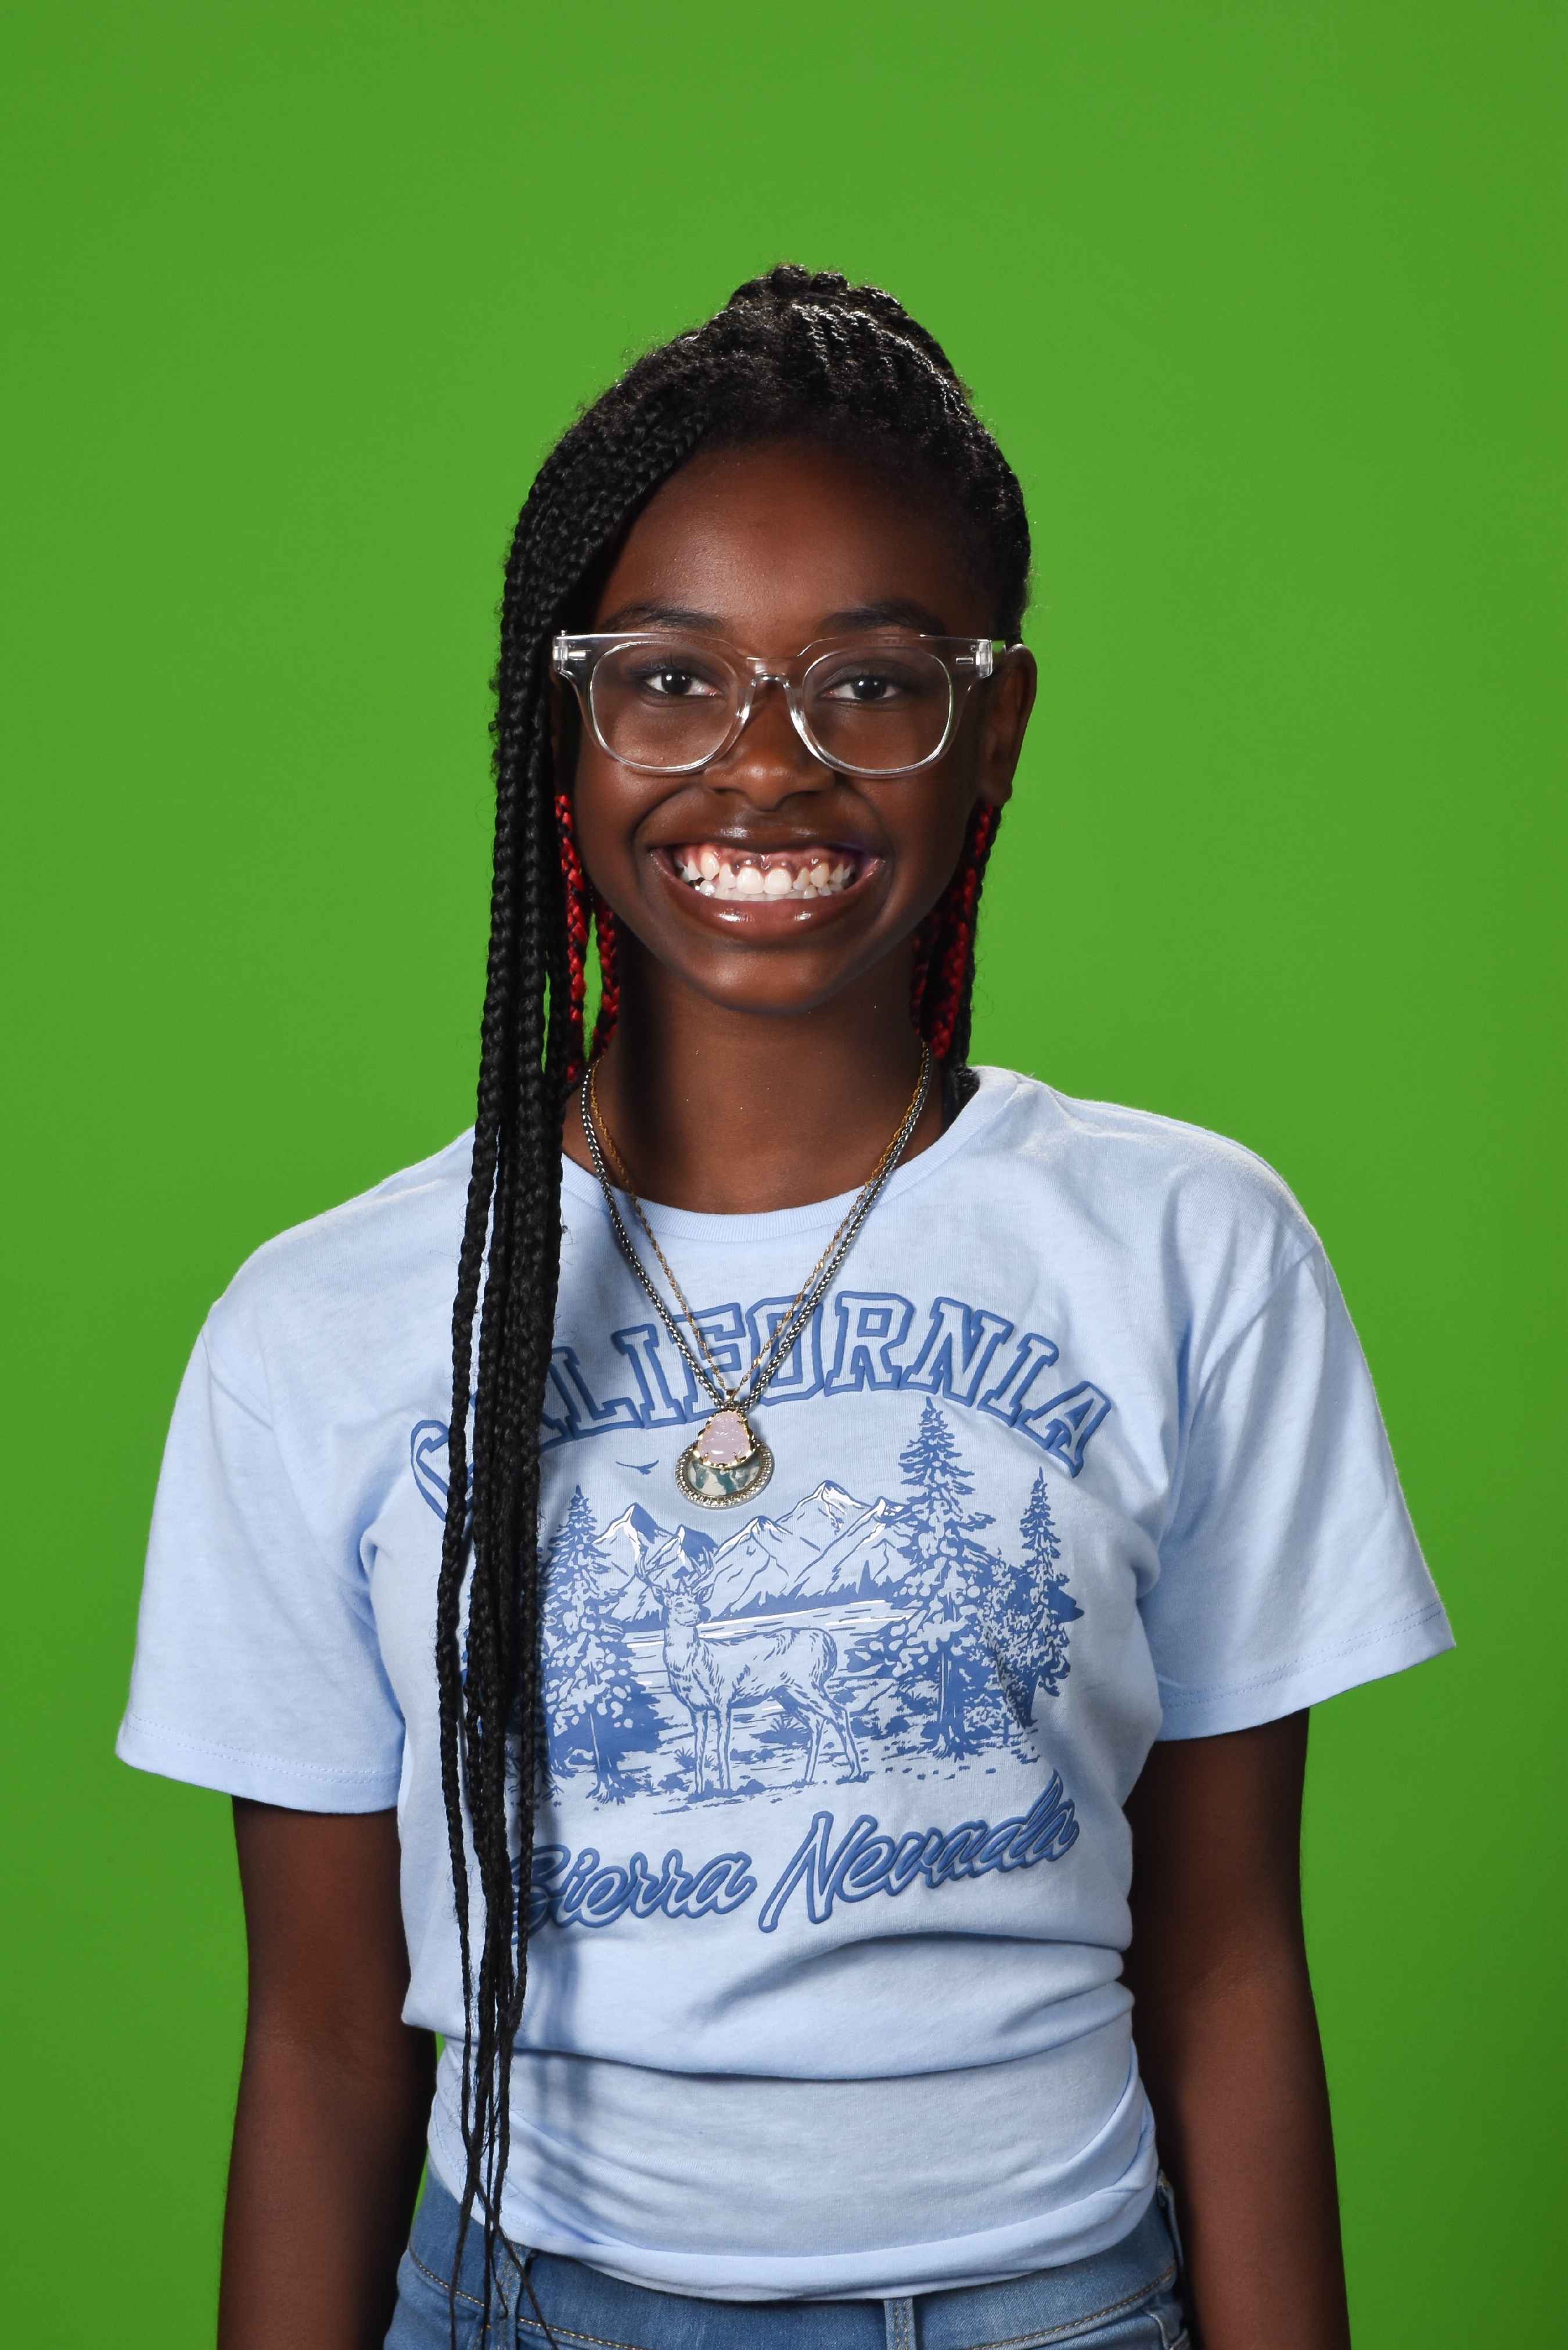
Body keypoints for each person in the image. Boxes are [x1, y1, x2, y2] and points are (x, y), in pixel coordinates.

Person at [119, 266, 1452, 2350]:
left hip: (1048, 2306)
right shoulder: (325, 1324)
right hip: (517, 2309)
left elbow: (1222, 1965)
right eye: (668, 680)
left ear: (993, 728)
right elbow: (317, 2039)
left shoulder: (1187, 1249)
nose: (767, 768)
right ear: (558, 729)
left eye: (872, 682)